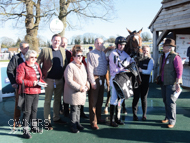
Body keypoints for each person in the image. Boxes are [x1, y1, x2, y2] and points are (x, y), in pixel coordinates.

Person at [37, 34, 68, 130]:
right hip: (49, 80)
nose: (57, 42)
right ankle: (47, 122)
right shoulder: (45, 50)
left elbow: (65, 64)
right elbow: (37, 63)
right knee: (47, 101)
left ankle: (56, 118)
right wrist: (40, 77)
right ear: (51, 40)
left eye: (59, 41)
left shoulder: (63, 51)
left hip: (59, 80)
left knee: (57, 101)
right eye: (55, 40)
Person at [16, 50, 46, 139]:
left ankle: (34, 127)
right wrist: (31, 83)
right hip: (27, 92)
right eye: (32, 57)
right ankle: (25, 131)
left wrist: (42, 82)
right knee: (27, 112)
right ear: (27, 57)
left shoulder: (36, 65)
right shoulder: (22, 66)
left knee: (34, 110)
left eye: (35, 57)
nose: (34, 59)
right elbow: (19, 80)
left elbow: (39, 78)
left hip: (36, 91)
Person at [64, 46, 90, 133]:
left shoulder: (82, 65)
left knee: (79, 108)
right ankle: (73, 125)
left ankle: (77, 123)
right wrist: (80, 87)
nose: (80, 57)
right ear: (73, 57)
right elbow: (69, 80)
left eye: (81, 55)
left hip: (81, 91)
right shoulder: (70, 66)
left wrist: (87, 84)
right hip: (74, 92)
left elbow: (85, 77)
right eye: (78, 56)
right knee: (74, 109)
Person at [109, 36, 132, 127]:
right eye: (120, 44)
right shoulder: (113, 53)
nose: (122, 46)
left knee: (121, 99)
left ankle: (118, 118)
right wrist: (127, 65)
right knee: (114, 98)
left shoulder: (125, 54)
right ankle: (112, 120)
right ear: (117, 44)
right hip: (115, 78)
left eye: (123, 45)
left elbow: (131, 61)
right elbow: (119, 66)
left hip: (122, 77)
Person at [159, 38, 183, 128]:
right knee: (166, 101)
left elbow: (179, 71)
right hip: (163, 83)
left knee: (171, 102)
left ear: (170, 48)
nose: (163, 47)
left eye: (164, 46)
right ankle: (167, 117)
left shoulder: (175, 57)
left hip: (171, 83)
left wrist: (177, 83)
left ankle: (172, 121)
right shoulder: (163, 56)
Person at [7, 41, 29, 128]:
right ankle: (16, 121)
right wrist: (13, 82)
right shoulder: (15, 58)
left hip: (29, 85)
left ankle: (26, 121)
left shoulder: (30, 57)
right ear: (20, 48)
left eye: (27, 47)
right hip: (19, 85)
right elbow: (9, 70)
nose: (26, 49)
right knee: (18, 104)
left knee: (28, 104)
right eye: (24, 48)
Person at [87, 38, 107, 130]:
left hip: (102, 78)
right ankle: (93, 122)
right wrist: (92, 81)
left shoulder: (103, 53)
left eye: (101, 43)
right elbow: (89, 69)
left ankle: (98, 117)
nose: (99, 44)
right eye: (97, 43)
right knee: (93, 101)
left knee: (100, 100)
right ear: (94, 44)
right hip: (95, 78)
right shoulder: (91, 54)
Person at [132, 46, 154, 121]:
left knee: (144, 99)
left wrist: (141, 71)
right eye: (144, 50)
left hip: (145, 82)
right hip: (136, 82)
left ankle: (144, 115)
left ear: (149, 52)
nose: (145, 52)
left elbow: (148, 71)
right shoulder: (137, 59)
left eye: (147, 51)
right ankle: (134, 115)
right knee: (136, 98)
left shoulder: (150, 60)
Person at [69, 45, 88, 118]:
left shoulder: (82, 60)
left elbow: (84, 68)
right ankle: (73, 122)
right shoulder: (72, 61)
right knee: (74, 106)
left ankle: (80, 115)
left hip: (82, 83)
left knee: (80, 102)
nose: (80, 56)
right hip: (76, 83)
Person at [60, 37, 71, 117]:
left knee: (66, 94)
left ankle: (66, 110)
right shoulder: (55, 52)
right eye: (62, 42)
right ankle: (59, 109)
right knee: (58, 95)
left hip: (66, 77)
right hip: (58, 77)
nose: (64, 44)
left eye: (65, 43)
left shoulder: (69, 53)